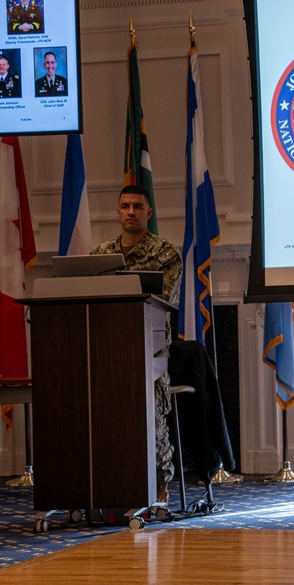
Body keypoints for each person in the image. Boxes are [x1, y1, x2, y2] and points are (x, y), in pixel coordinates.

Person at [91, 185, 183, 504]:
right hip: (104, 352)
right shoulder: (99, 255)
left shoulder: (165, 254)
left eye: (137, 206)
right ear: (117, 212)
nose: (131, 211)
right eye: (125, 206)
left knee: (152, 421)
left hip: (150, 350)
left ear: (148, 213)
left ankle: (160, 483)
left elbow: (164, 299)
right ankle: (104, 483)